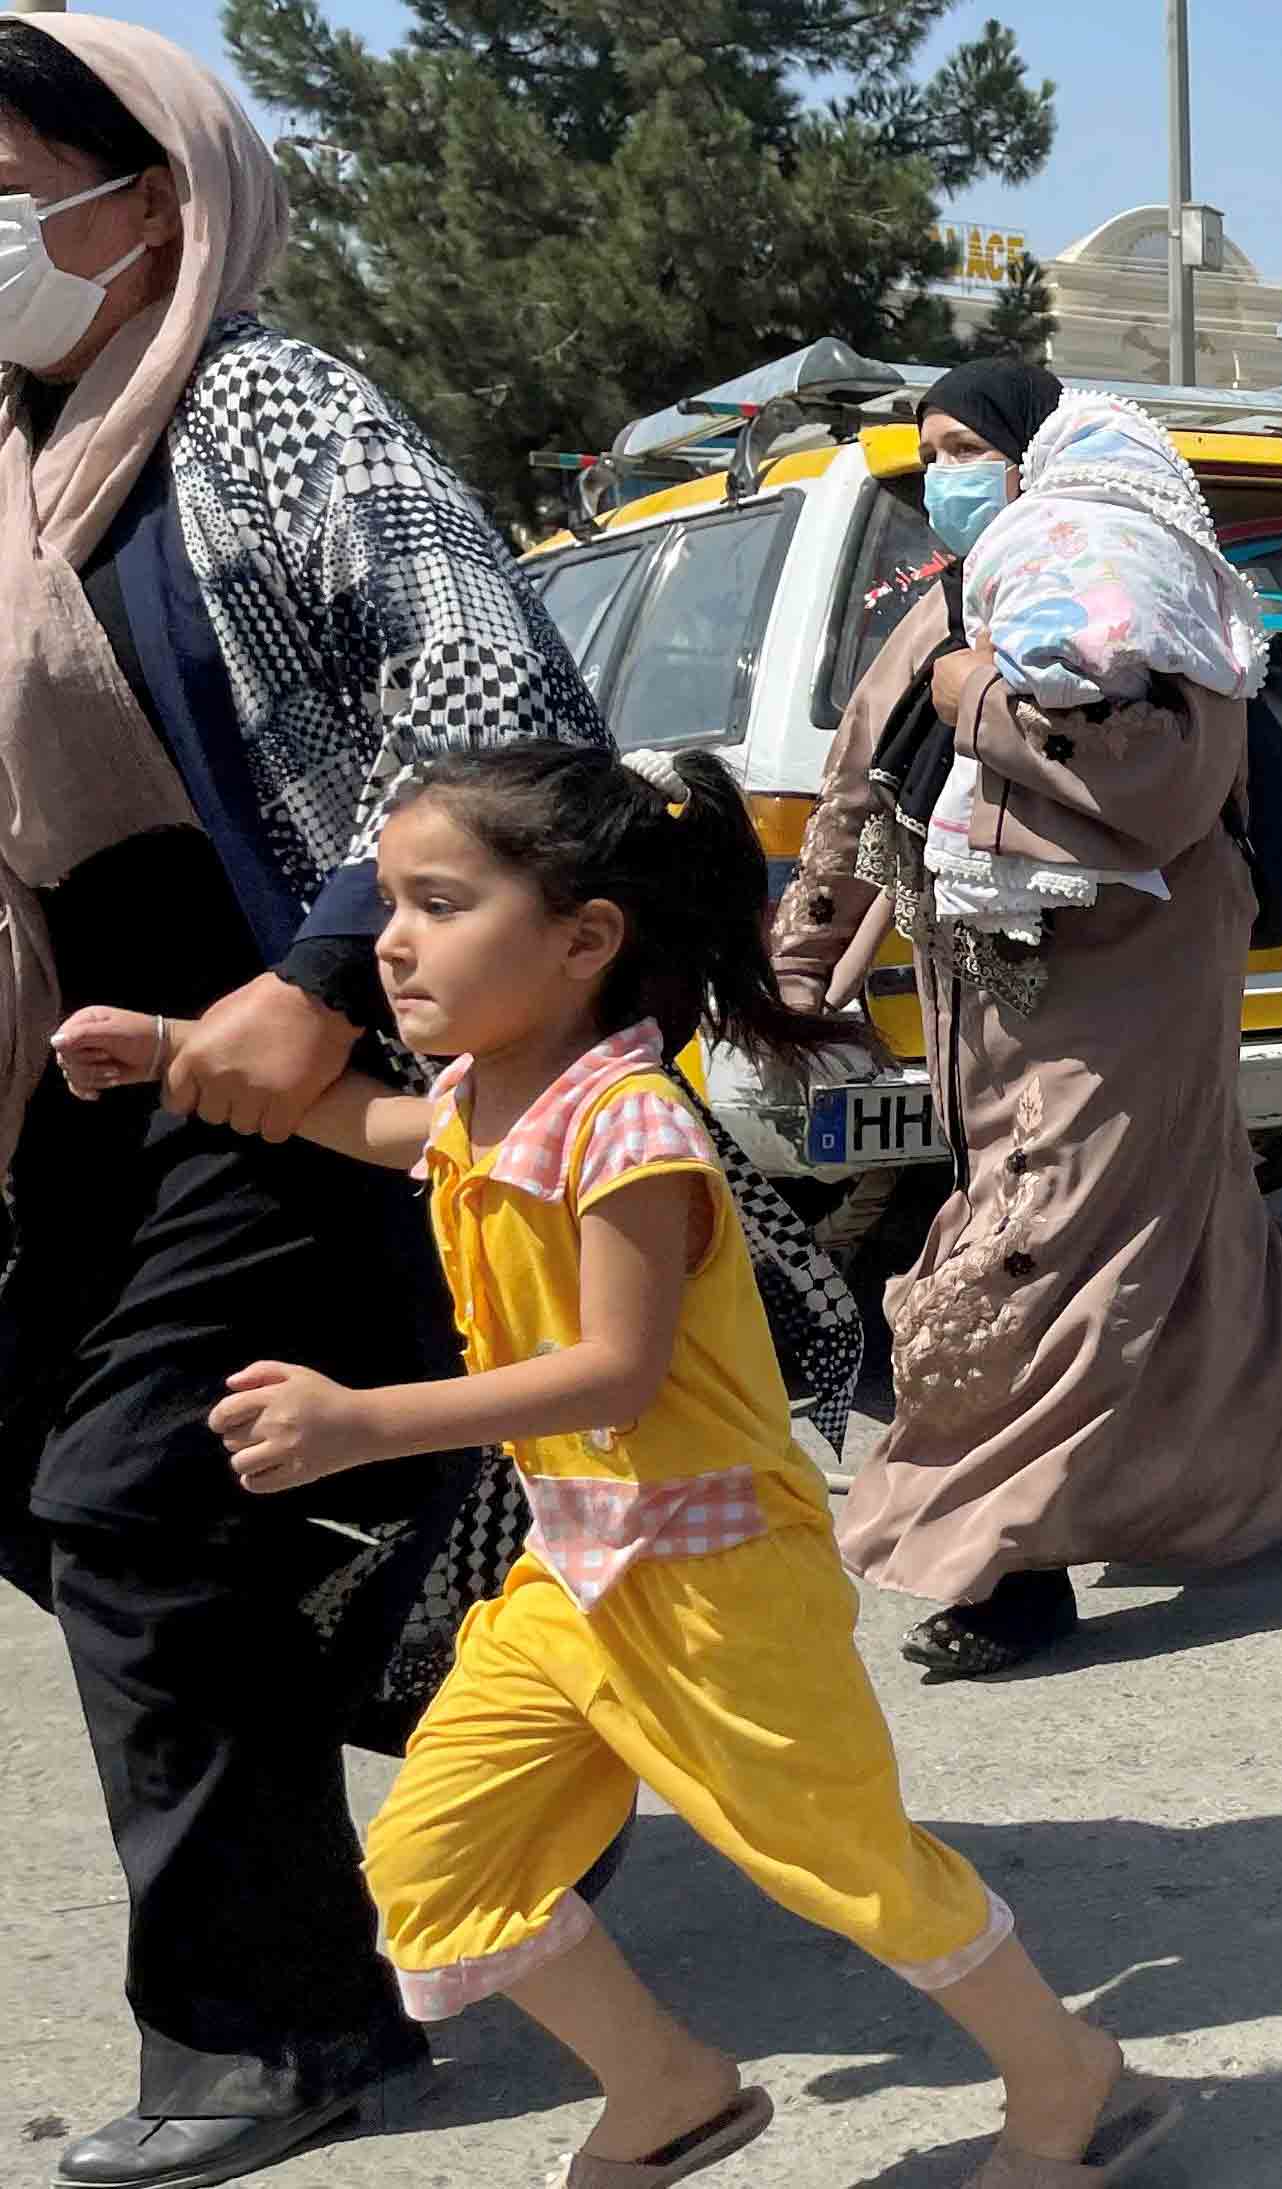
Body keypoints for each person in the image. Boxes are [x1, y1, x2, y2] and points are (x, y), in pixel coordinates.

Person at [54, 747, 1183, 2189]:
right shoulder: (485, 1103)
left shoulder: (631, 1132)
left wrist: (360, 1419)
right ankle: (664, 2088)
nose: (391, 940)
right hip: (572, 1582)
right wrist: (168, 1045)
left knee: (843, 1862)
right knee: (434, 1873)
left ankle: (1067, 2075)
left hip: (715, 1582)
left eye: (440, 903)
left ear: (585, 938)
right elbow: (363, 1121)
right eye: (390, 901)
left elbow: (613, 1372)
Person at [0, 23, 618, 2185]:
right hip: (97, 1067)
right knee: (60, 1478)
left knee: (136, 1498)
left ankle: (276, 2029)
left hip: (302, 1052)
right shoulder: (27, 444)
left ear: (148, 194)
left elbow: (501, 695)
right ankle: (531, 1718)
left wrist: (320, 966)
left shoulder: (253, 398)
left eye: (5, 189)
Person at [773, 386, 1282, 1678]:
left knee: (1045, 1244)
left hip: (1132, 979)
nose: (946, 478)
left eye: (969, 451)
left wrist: (973, 695)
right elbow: (858, 788)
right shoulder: (947, 605)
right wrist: (805, 952)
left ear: (1039, 455)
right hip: (987, 992)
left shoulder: (1140, 602)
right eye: (932, 460)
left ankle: (1004, 1561)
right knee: (1187, 1229)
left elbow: (1158, 788)